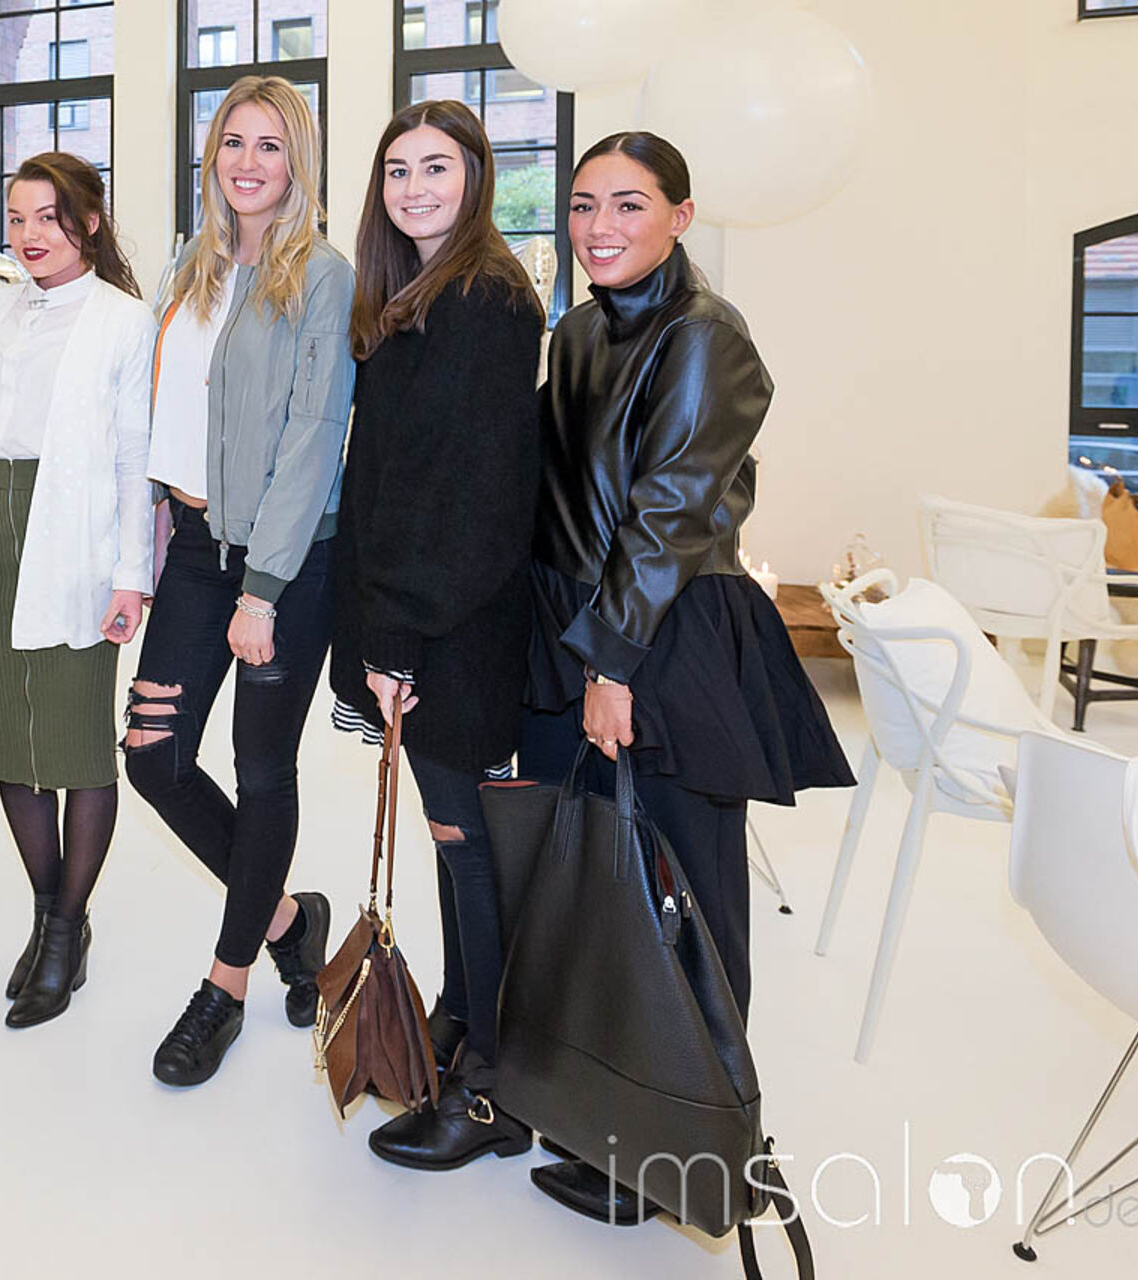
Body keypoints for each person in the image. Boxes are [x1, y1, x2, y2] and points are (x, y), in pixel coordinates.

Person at [518, 131, 853, 1221]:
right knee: (598, 892)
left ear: (682, 215)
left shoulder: (706, 333)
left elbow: (669, 514)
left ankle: (705, 1154)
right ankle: (622, 1125)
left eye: (628, 204)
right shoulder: (578, 331)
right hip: (578, 631)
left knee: (685, 901)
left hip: (659, 639)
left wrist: (611, 664)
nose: (599, 226)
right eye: (583, 204)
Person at [123, 75, 357, 1087]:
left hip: (285, 562)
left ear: (297, 161)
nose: (248, 162)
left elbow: (312, 436)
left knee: (263, 769)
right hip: (192, 545)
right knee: (153, 756)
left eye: (270, 145)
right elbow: (164, 413)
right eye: (233, 142)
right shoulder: (194, 264)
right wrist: (146, 538)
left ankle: (225, 985)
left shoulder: (323, 277)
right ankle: (290, 920)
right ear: (212, 155)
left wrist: (262, 589)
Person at [327, 99, 544, 1171]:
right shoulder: (416, 294)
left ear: (477, 178)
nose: (413, 188)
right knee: (455, 838)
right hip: (416, 617)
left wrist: (400, 638)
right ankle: (463, 1017)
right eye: (397, 170)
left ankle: (493, 1094)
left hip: (447, 626)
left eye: (437, 168)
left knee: (469, 848)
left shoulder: (485, 299)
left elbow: (477, 497)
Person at [0, 153, 155, 1029]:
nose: (30, 235)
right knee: (10, 738)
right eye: (17, 218)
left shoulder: (123, 319)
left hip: (76, 538)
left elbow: (135, 457)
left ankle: (66, 932)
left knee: (77, 744)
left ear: (89, 223)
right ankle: (48, 915)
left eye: (49, 218)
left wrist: (131, 574)